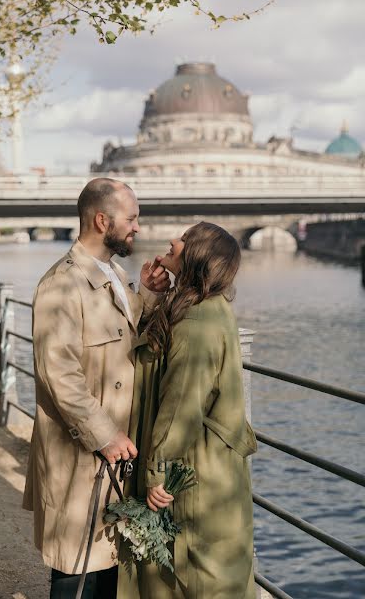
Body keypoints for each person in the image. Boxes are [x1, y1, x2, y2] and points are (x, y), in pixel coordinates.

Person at [22, 177, 170, 598]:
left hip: (115, 454)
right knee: (77, 571)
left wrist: (149, 297)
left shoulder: (115, 273)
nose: (137, 227)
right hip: (85, 453)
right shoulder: (60, 284)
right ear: (102, 220)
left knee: (105, 570)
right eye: (132, 218)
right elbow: (59, 374)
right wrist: (104, 435)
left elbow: (122, 338)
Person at [118, 221, 258, 598]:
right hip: (210, 466)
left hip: (193, 470)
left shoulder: (196, 322)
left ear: (196, 255)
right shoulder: (205, 308)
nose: (172, 241)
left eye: (182, 238)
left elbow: (180, 407)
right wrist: (151, 295)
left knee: (186, 573)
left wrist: (156, 474)